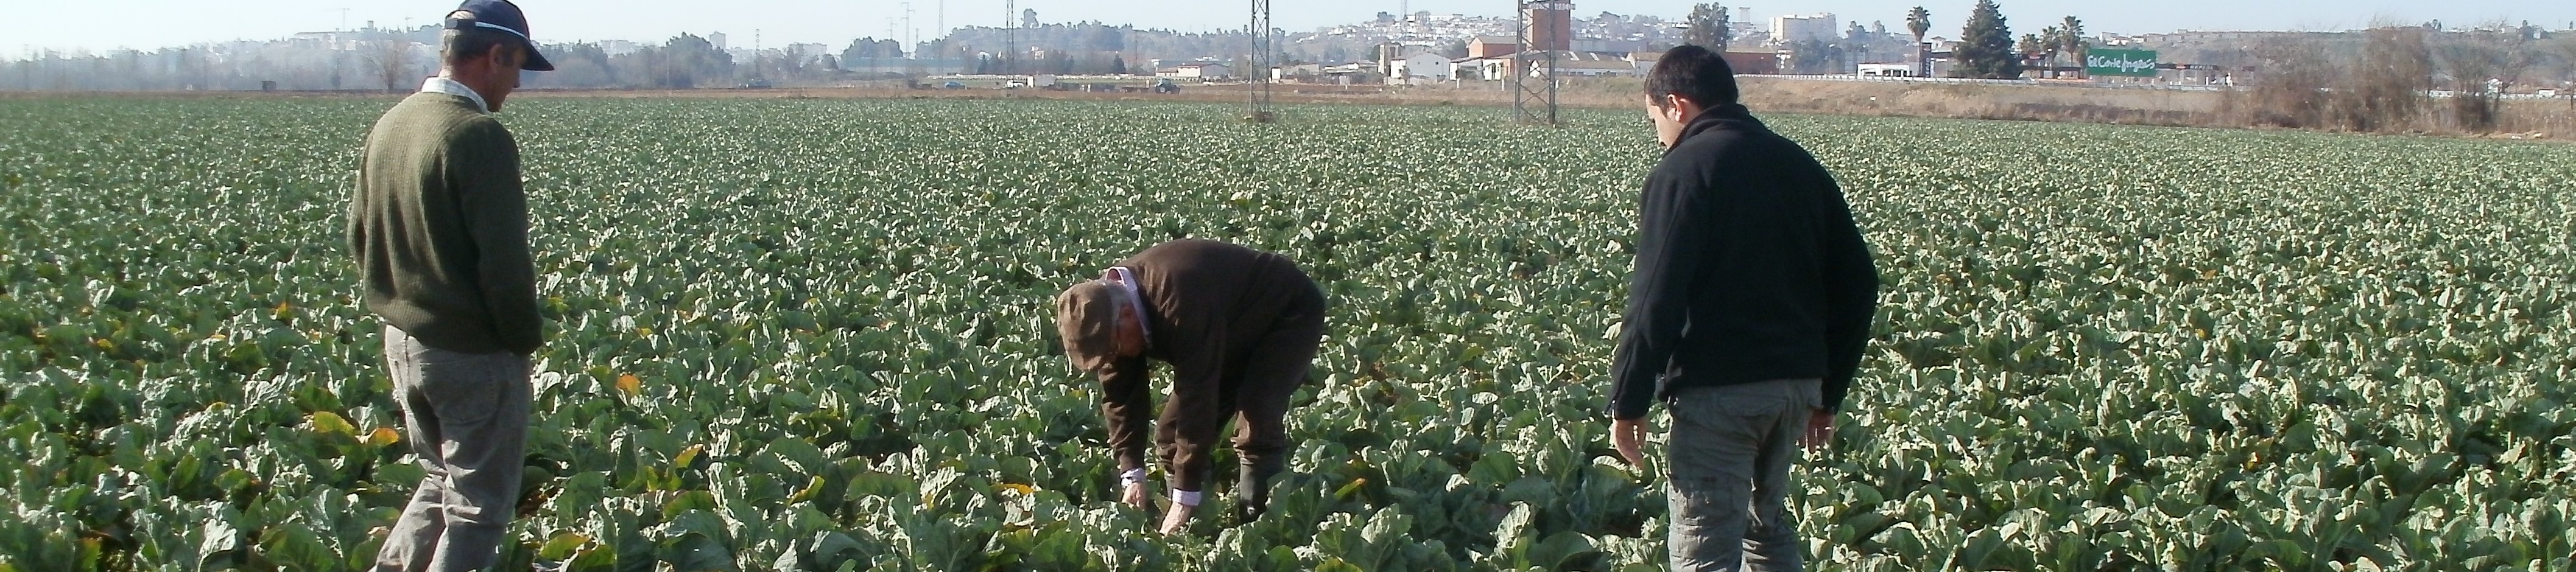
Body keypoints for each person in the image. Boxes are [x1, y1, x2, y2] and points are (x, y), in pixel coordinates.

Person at [1605, 44, 1880, 572]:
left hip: (1720, 393)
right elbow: (1860, 284)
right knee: (1766, 529)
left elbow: (1655, 297)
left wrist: (1628, 400)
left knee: (1705, 543)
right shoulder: (1799, 165)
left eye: (1655, 118)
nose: (1659, 132)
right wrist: (1827, 394)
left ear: (1677, 104)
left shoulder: (1685, 171)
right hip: (1794, 390)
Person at [345, 1, 554, 570]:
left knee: (441, 482)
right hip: (470, 354)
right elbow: (505, 267)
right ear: (495, 55)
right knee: (479, 509)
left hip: (404, 342)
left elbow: (359, 235)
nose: (516, 83)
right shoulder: (477, 136)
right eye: (517, 68)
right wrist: (520, 343)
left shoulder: (394, 123)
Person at [1054, 239, 1327, 535]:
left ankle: (1262, 527)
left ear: (1128, 318)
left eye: (1112, 350)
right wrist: (1132, 473)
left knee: (1256, 419)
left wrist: (1184, 497)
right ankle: (1196, 534)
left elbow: (1198, 393)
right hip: (1225, 326)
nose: (1112, 359)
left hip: (1285, 313)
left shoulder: (1178, 300)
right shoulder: (1109, 319)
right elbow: (1120, 398)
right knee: (1171, 436)